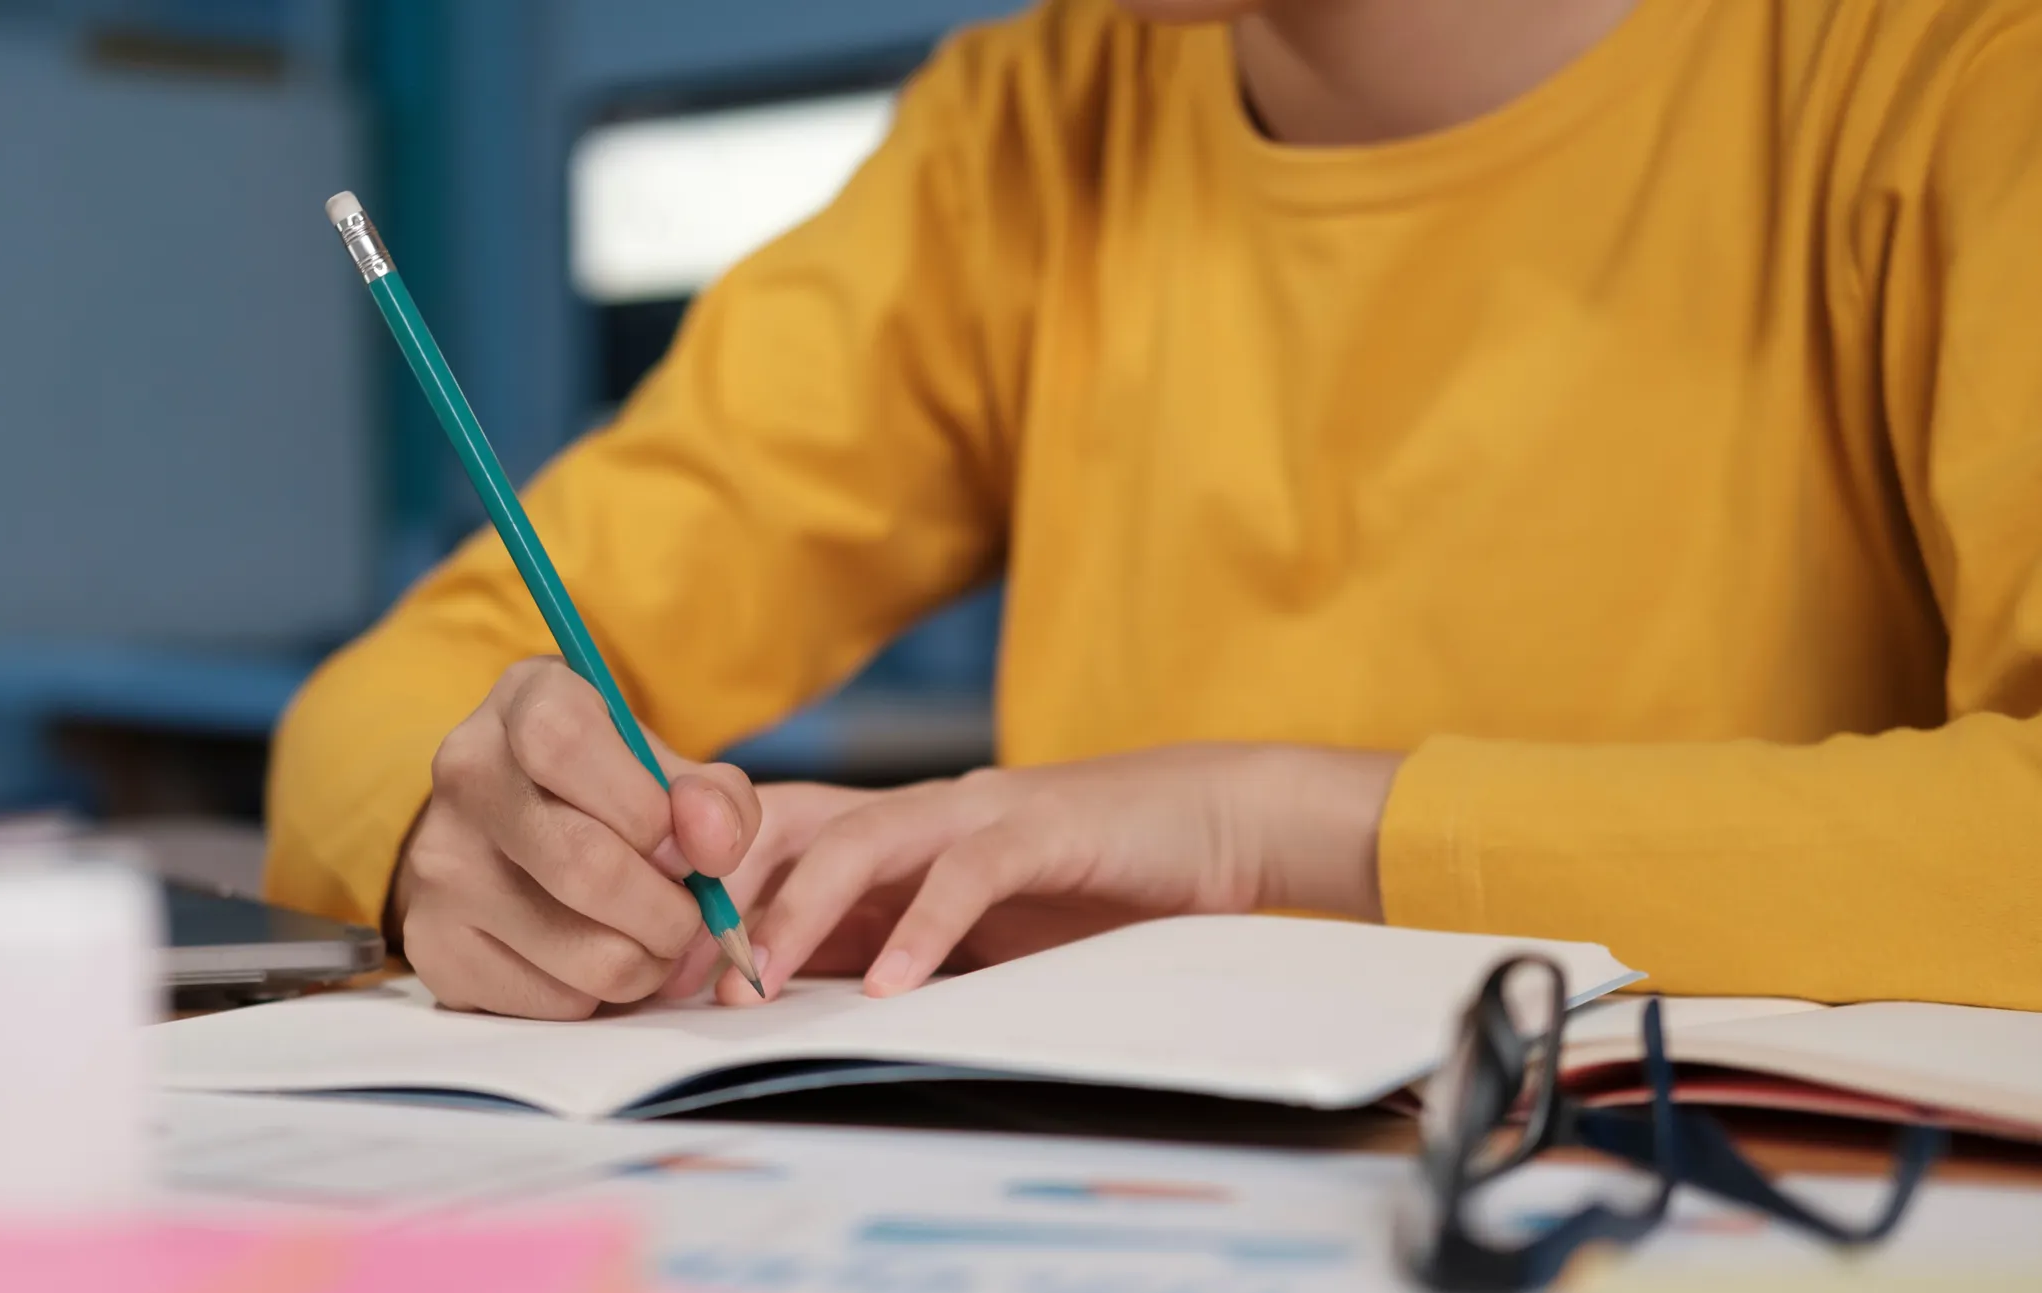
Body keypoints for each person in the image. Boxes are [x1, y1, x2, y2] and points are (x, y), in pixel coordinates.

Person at [266, 0, 2042, 1020]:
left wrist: (1267, 833)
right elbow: (396, 700)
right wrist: (469, 831)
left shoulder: (1950, 68)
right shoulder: (1030, 135)